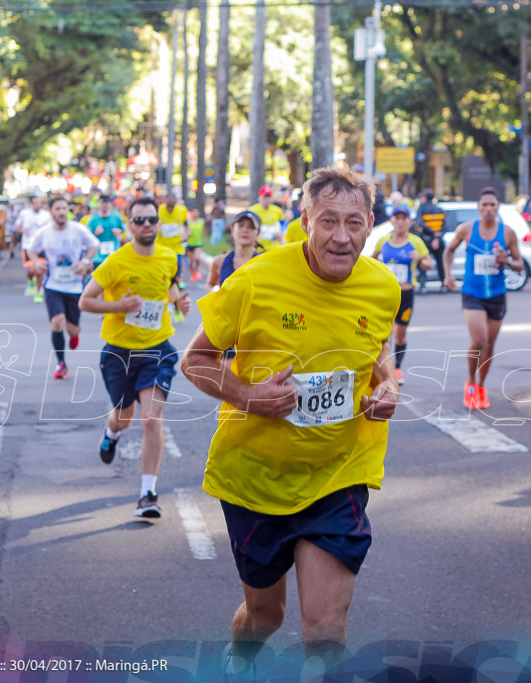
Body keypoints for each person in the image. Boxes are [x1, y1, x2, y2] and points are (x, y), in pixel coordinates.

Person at [180, 166, 400, 678]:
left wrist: (386, 386)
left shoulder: (383, 287)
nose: (341, 237)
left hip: (338, 474)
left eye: (354, 222)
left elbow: (378, 351)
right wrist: (248, 396)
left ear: (370, 225)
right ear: (305, 222)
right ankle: (241, 655)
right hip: (255, 477)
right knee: (265, 616)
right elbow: (196, 360)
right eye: (328, 221)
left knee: (324, 630)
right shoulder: (255, 280)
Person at [79, 196, 191, 520]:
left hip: (157, 349)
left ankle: (147, 493)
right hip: (119, 352)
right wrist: (120, 307)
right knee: (124, 417)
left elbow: (168, 284)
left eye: (151, 220)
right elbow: (85, 302)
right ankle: (111, 433)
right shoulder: (115, 262)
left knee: (151, 420)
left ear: (158, 224)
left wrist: (177, 302)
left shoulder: (169, 256)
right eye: (139, 220)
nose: (146, 225)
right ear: (128, 225)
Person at [443, 187, 524, 410]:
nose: (488, 209)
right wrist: (448, 275)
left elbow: (520, 265)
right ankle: (470, 382)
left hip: (497, 294)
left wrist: (506, 260)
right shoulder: (466, 229)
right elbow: (448, 251)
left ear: (498, 207)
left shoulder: (507, 233)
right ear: (478, 207)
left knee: (489, 345)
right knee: (479, 340)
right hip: (472, 293)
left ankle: (481, 386)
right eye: (484, 205)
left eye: (493, 205)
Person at [25, 196, 99, 380]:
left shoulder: (78, 229)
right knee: (57, 322)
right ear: (50, 211)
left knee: (73, 329)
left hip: (74, 286)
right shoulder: (44, 232)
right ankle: (61, 363)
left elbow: (94, 245)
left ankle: (74, 335)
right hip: (53, 285)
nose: (61, 212)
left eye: (64, 208)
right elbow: (30, 249)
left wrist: (85, 261)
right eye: (57, 208)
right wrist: (37, 263)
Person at [371, 205, 433, 385]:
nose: (400, 222)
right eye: (396, 218)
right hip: (385, 295)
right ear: (391, 220)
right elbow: (371, 261)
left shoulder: (415, 242)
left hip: (405, 294)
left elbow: (429, 264)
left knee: (400, 335)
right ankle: (385, 370)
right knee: (384, 336)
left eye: (403, 218)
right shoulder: (383, 241)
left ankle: (397, 368)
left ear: (409, 222)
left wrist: (420, 259)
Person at [206, 210, 265, 293]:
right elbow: (210, 284)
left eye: (251, 227)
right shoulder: (219, 262)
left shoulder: (263, 264)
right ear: (232, 230)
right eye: (241, 225)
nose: (245, 230)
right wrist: (215, 291)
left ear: (258, 233)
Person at [15, 195, 54, 302]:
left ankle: (38, 292)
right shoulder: (25, 214)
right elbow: (17, 226)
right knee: (30, 270)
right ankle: (31, 280)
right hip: (28, 246)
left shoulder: (46, 215)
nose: (38, 205)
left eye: (39, 203)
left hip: (42, 247)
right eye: (36, 203)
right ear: (31, 204)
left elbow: (51, 228)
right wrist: (24, 231)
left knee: (41, 269)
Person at [415, 189, 446, 288]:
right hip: (438, 241)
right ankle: (443, 284)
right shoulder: (439, 209)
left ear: (424, 198)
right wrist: (437, 237)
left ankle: (423, 286)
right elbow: (445, 226)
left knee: (423, 262)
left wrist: (432, 234)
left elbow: (420, 223)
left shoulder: (421, 209)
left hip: (426, 240)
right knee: (441, 263)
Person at [87, 194, 125, 267]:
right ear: (99, 203)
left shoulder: (116, 216)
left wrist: (119, 231)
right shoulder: (93, 219)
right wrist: (95, 233)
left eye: (106, 202)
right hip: (98, 257)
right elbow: (87, 237)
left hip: (114, 255)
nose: (104, 204)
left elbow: (123, 230)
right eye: (102, 202)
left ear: (110, 204)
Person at [157, 192, 189, 276]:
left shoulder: (182, 210)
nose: (170, 208)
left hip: (177, 246)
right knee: (164, 268)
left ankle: (178, 282)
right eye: (168, 206)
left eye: (172, 206)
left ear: (175, 203)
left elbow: (186, 225)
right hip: (163, 245)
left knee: (178, 268)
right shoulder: (159, 209)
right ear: (165, 202)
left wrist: (186, 234)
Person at [249, 185, 284, 249]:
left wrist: (280, 233)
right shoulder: (252, 210)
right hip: (257, 247)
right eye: (265, 196)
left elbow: (283, 224)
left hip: (274, 246)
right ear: (259, 197)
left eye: (269, 196)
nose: (267, 199)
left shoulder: (277, 210)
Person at [186, 211, 205, 281]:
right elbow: (186, 231)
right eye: (194, 212)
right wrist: (188, 233)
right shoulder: (189, 222)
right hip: (190, 243)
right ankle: (193, 273)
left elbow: (204, 230)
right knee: (191, 262)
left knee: (197, 258)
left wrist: (204, 238)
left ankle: (196, 270)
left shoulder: (202, 221)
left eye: (196, 212)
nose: (195, 214)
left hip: (198, 243)